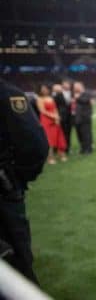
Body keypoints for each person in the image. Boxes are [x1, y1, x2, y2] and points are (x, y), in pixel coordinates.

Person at [0, 78, 49, 288]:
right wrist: (15, 179)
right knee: (17, 271)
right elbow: (34, 146)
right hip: (4, 199)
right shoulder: (7, 93)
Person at [36, 84, 67, 164]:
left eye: (45, 89)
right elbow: (42, 111)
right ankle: (50, 158)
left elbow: (55, 108)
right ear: (39, 90)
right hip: (46, 120)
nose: (44, 90)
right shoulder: (39, 99)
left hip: (55, 120)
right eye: (43, 89)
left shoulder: (51, 98)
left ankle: (61, 154)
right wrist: (53, 116)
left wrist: (57, 116)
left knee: (58, 137)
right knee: (49, 140)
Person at [72, 81, 93, 154]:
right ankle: (83, 148)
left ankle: (88, 148)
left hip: (84, 117)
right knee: (79, 134)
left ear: (80, 86)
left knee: (86, 133)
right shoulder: (74, 94)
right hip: (76, 117)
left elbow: (85, 101)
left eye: (76, 86)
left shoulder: (86, 93)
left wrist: (78, 98)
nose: (74, 88)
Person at [52, 83, 72, 154]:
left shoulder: (70, 93)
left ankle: (67, 148)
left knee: (67, 133)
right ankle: (56, 148)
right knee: (59, 133)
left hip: (69, 117)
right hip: (60, 117)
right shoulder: (55, 95)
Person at [60, 79, 73, 154]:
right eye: (65, 84)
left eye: (68, 84)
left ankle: (67, 148)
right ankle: (61, 148)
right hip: (62, 117)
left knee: (69, 133)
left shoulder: (72, 93)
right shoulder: (58, 94)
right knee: (62, 133)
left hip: (70, 117)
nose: (67, 85)